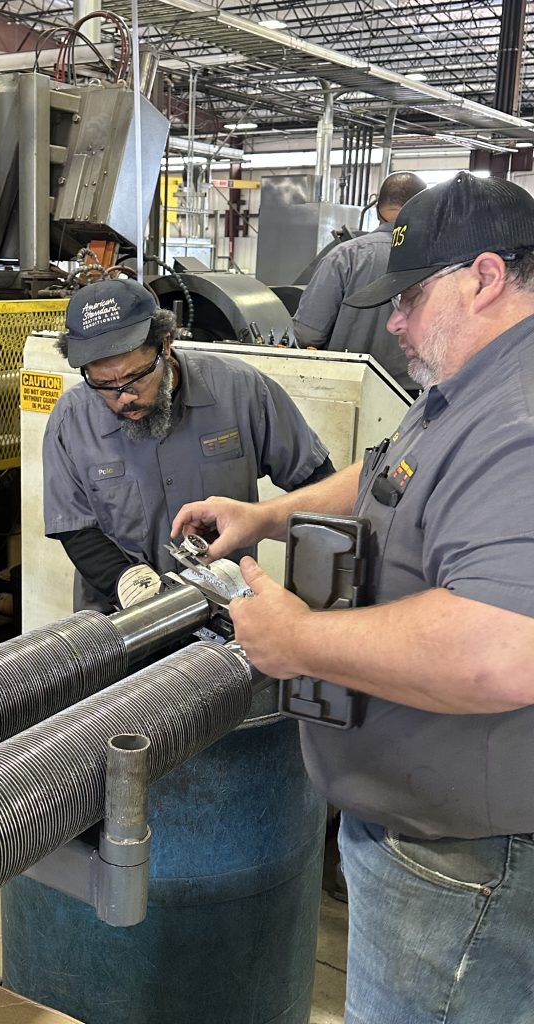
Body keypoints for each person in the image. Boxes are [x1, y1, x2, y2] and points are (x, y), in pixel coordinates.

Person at [171, 171, 534, 1024]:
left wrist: (301, 643)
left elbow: (502, 650)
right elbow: (385, 477)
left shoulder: (519, 421)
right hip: (419, 834)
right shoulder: (465, 389)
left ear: (485, 277)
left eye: (410, 297)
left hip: (462, 861)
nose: (394, 320)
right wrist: (267, 513)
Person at [42, 277, 334, 612]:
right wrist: (125, 581)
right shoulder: (71, 420)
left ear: (165, 344)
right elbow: (75, 528)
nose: (124, 396)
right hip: (120, 617)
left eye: (136, 376)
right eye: (104, 384)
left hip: (224, 614)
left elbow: (319, 482)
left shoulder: (242, 391)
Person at [293, 171, 426, 392]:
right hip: (413, 395)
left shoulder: (345, 255)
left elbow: (308, 334)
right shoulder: (441, 259)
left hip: (344, 389)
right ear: (425, 210)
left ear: (376, 210)